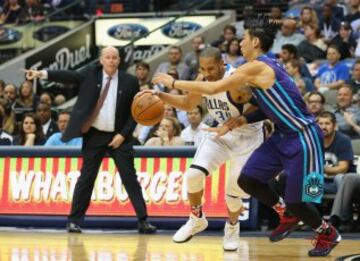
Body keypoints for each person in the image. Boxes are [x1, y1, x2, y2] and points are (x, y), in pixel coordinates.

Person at [152, 15, 341, 257]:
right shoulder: (249, 68)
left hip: (303, 136)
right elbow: (262, 105)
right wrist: (239, 119)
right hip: (281, 135)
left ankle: (327, 233)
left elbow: (212, 88)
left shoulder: (257, 67)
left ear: (255, 42)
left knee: (304, 198)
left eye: (245, 38)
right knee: (247, 181)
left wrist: (173, 81)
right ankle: (287, 213)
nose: (240, 42)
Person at [23, 46, 156, 234]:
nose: (111, 60)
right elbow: (68, 76)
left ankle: (143, 220)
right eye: (107, 57)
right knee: (86, 178)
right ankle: (73, 221)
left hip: (119, 135)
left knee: (130, 178)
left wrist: (122, 135)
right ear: (101, 60)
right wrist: (41, 73)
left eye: (114, 57)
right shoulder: (90, 74)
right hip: (95, 134)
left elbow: (135, 113)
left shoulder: (130, 81)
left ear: (119, 60)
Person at [142, 46, 263, 251]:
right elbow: (188, 104)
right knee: (192, 176)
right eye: (203, 69)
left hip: (247, 138)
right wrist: (160, 97)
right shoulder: (202, 79)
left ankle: (232, 226)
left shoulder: (237, 81)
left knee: (233, 194)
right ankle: (197, 218)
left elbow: (261, 107)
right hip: (218, 133)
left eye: (211, 69)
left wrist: (236, 122)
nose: (206, 74)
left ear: (221, 64)